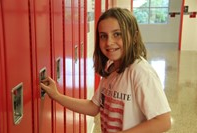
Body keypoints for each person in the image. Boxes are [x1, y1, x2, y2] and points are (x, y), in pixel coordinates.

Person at [40, 7, 171, 133]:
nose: (109, 42)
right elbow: (93, 107)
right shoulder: (111, 68)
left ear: (134, 37)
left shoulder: (140, 72)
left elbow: (163, 121)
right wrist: (57, 96)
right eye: (103, 36)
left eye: (117, 34)